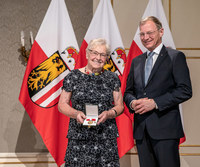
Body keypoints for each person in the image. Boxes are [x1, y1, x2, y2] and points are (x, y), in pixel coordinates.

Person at [124, 16, 192, 167]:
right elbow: (128, 92)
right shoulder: (136, 61)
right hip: (142, 130)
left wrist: (155, 103)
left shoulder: (175, 57)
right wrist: (133, 102)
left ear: (161, 32)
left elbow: (185, 90)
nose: (146, 37)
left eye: (150, 33)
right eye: (142, 34)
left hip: (166, 131)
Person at [58, 38, 124, 167]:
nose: (98, 58)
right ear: (87, 54)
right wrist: (76, 113)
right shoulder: (73, 77)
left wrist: (109, 113)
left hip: (106, 138)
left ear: (107, 58)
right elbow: (62, 105)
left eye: (103, 55)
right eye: (95, 53)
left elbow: (120, 106)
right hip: (79, 137)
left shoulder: (112, 78)